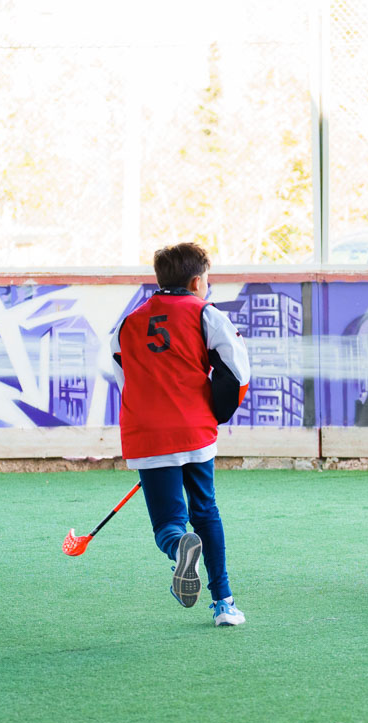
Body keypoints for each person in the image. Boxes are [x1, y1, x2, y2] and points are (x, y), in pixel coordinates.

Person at [111, 242, 251, 627]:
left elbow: (124, 378)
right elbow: (238, 371)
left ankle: (178, 548)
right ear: (196, 282)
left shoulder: (127, 323)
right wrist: (215, 413)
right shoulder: (206, 313)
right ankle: (224, 603)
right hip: (194, 431)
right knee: (205, 511)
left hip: (147, 436)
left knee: (167, 524)